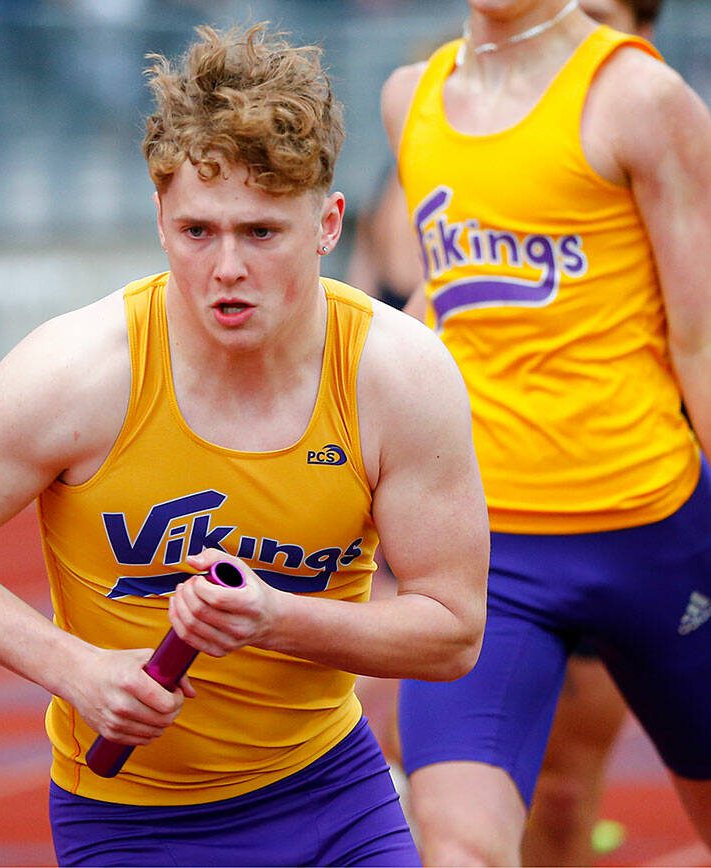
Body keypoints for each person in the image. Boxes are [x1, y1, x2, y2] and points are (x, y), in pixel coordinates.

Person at [0, 23, 488, 867]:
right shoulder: (79, 372)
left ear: (329, 222)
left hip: (329, 796)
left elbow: (451, 630)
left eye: (261, 233)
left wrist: (273, 618)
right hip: (131, 821)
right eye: (198, 231)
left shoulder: (397, 374)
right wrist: (75, 668)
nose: (226, 266)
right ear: (159, 217)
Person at [380, 0, 711, 863]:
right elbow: (446, 303)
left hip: (654, 535)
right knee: (459, 848)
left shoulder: (643, 98)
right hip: (490, 551)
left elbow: (703, 338)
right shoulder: (408, 99)